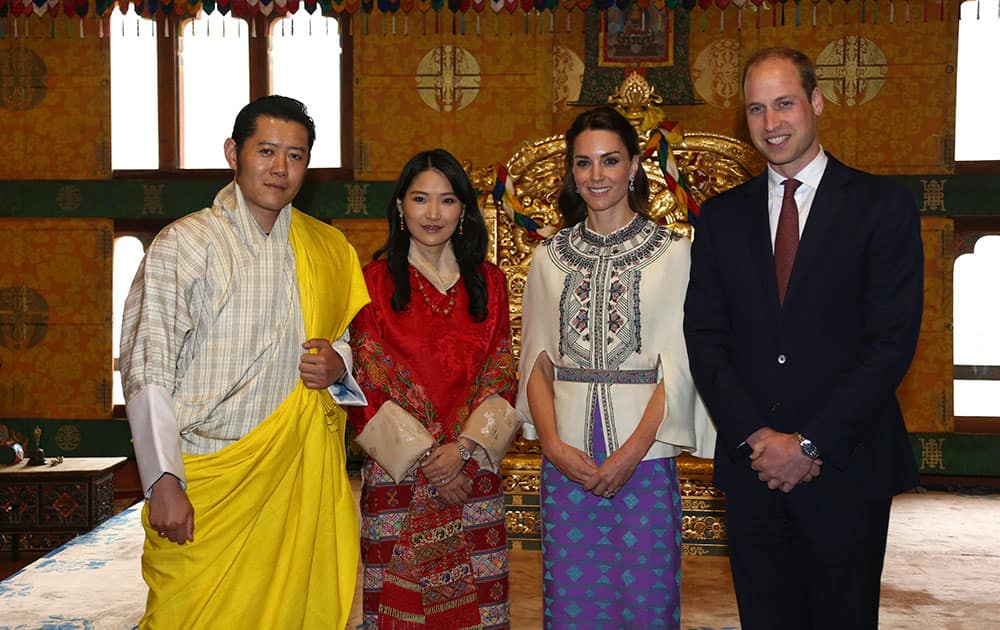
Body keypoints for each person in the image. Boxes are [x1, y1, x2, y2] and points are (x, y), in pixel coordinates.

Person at [683, 47, 924, 630]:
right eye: (757, 109)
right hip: (753, 468)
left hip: (848, 465)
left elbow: (891, 342)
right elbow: (706, 337)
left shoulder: (881, 206)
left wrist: (810, 444)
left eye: (785, 104)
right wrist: (759, 437)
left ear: (816, 102)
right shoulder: (719, 218)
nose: (772, 124)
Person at [119, 95, 369, 629]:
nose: (280, 169)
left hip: (292, 483)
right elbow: (148, 365)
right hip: (206, 478)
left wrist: (338, 369)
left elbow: (345, 347)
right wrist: (163, 480)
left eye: (296, 156)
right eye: (267, 151)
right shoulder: (184, 244)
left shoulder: (327, 248)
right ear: (234, 152)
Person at [516, 106, 714, 628]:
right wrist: (554, 447)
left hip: (644, 458)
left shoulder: (675, 254)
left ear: (633, 167)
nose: (596, 175)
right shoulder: (547, 257)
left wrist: (631, 453)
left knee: (646, 600)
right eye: (584, 163)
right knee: (573, 601)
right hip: (568, 462)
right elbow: (536, 363)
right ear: (571, 172)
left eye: (610, 161)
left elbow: (682, 366)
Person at [347, 148, 521, 629]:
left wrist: (463, 449)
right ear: (400, 207)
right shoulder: (371, 284)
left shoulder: (490, 283)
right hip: (397, 475)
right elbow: (366, 383)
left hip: (472, 474)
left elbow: (501, 373)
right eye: (420, 199)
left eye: (446, 201)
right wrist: (431, 460)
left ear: (463, 210)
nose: (432, 213)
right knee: (396, 613)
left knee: (480, 611)